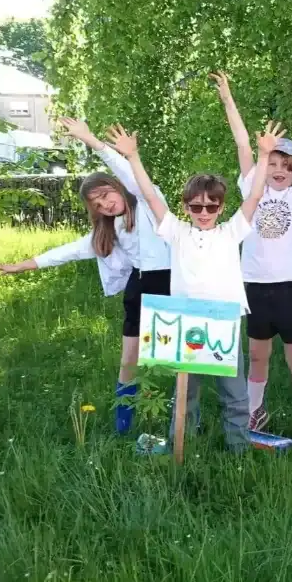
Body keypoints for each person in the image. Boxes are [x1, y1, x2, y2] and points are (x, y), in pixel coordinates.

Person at [0, 117, 174, 434]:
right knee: (129, 360)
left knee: (177, 358)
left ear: (118, 187)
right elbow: (67, 251)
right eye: (98, 204)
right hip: (140, 289)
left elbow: (133, 175)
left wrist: (94, 142)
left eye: (106, 194)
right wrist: (22, 265)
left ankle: (180, 420)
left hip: (173, 286)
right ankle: (123, 426)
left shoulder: (147, 201)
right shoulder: (107, 230)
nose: (106, 204)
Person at [108, 120, 281, 453]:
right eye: (196, 206)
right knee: (186, 393)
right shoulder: (176, 231)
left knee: (234, 394)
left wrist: (263, 156)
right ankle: (180, 447)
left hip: (224, 322)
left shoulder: (231, 232)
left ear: (221, 207)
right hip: (185, 321)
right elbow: (148, 195)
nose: (204, 212)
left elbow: (256, 194)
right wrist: (132, 158)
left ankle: (239, 453)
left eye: (211, 206)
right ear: (186, 207)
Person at [212, 71, 292, 443]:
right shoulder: (252, 186)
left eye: (287, 166)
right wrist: (227, 98)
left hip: (291, 288)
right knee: (257, 357)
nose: (279, 171)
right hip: (253, 285)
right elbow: (242, 143)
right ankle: (254, 412)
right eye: (274, 164)